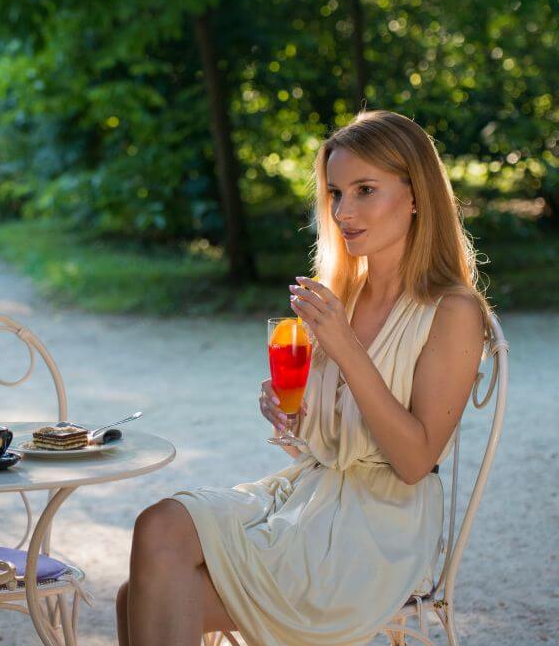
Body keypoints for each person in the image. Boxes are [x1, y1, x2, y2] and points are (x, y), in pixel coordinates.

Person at [117, 111, 490, 646]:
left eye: (365, 190)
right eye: (336, 193)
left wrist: (344, 347)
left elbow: (413, 462)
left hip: (376, 529)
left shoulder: (451, 311)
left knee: (140, 599)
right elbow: (334, 445)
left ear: (417, 196)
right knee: (158, 527)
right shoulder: (346, 293)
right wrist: (296, 418)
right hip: (311, 497)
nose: (344, 211)